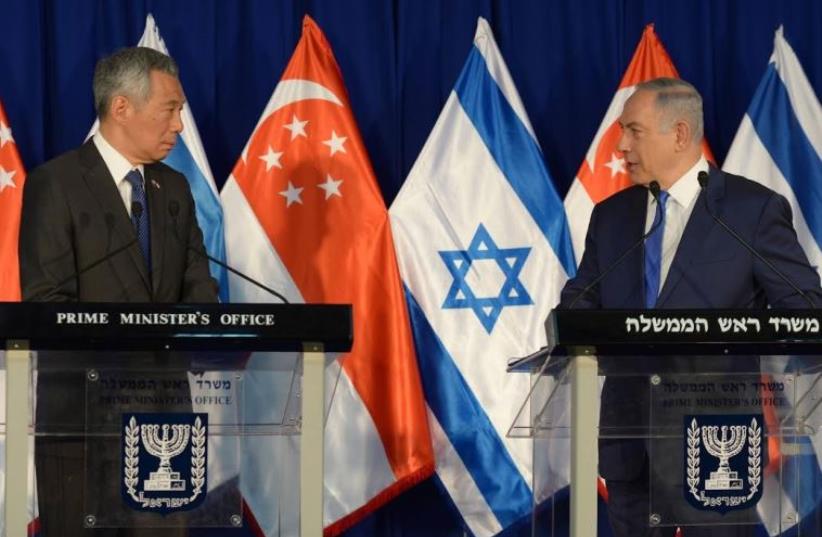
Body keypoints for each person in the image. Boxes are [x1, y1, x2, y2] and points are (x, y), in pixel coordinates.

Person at [559, 78, 822, 536]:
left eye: (633, 131)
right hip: (629, 441)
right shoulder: (612, 216)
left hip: (717, 444)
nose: (620, 145)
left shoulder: (751, 212)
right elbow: (577, 305)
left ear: (679, 134)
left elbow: (806, 310)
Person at [19, 47, 218, 536]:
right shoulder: (57, 183)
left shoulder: (173, 189)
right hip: (82, 419)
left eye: (180, 111)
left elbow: (198, 286)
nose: (178, 125)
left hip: (165, 420)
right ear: (122, 107)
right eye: (169, 109)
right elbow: (46, 303)